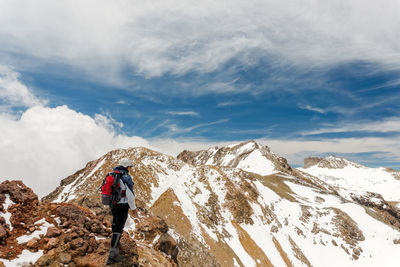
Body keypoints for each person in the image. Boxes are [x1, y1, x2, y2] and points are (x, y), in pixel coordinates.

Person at [107, 158, 139, 265]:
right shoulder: (126, 177)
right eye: (130, 166)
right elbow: (130, 195)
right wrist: (134, 209)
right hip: (123, 205)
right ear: (126, 167)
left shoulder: (112, 175)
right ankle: (113, 255)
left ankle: (114, 249)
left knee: (115, 225)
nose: (130, 168)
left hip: (114, 205)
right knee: (119, 229)